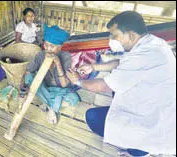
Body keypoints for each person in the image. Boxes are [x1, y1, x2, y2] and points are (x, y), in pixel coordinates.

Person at [66, 11, 176, 156]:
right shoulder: (151, 43)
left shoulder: (145, 54)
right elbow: (121, 62)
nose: (110, 39)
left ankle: (139, 150)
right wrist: (93, 67)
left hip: (157, 124)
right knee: (117, 93)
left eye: (114, 35)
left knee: (92, 118)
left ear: (130, 35)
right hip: (157, 107)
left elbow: (104, 86)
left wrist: (78, 81)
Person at [21, 24, 80, 124]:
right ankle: (53, 107)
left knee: (74, 99)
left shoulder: (65, 56)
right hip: (46, 88)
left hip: (61, 89)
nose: (48, 49)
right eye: (46, 45)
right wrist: (21, 87)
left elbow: (64, 84)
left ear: (60, 47)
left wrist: (58, 63)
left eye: (52, 46)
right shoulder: (40, 55)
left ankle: (49, 105)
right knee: (29, 78)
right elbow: (28, 71)